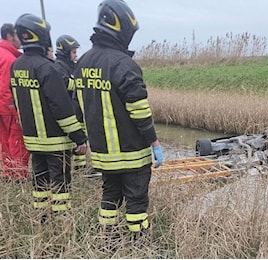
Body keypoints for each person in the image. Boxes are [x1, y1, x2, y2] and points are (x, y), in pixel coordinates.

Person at [74, 0, 164, 241]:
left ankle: (108, 240)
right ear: (121, 29)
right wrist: (154, 143)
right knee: (136, 200)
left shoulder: (82, 62)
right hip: (131, 153)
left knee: (110, 195)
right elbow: (139, 110)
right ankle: (139, 243)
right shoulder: (124, 65)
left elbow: (78, 106)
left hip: (103, 154)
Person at [11, 13, 87, 218]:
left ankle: (41, 218)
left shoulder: (17, 66)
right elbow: (61, 108)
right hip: (55, 142)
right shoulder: (47, 68)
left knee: (40, 182)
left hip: (33, 141)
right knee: (60, 184)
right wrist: (79, 137)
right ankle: (61, 222)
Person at [54, 35, 91, 175]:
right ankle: (73, 169)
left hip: (77, 110)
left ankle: (80, 169)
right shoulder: (58, 66)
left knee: (81, 138)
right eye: (73, 52)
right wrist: (80, 84)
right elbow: (64, 84)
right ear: (65, 52)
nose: (76, 55)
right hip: (69, 110)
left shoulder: (72, 66)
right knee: (73, 141)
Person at [0, 23, 30, 182]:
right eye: (18, 36)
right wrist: (15, 110)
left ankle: (8, 172)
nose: (21, 40)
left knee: (5, 141)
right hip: (7, 107)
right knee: (17, 140)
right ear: (10, 36)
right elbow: (6, 88)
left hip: (2, 107)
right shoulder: (10, 59)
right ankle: (19, 175)